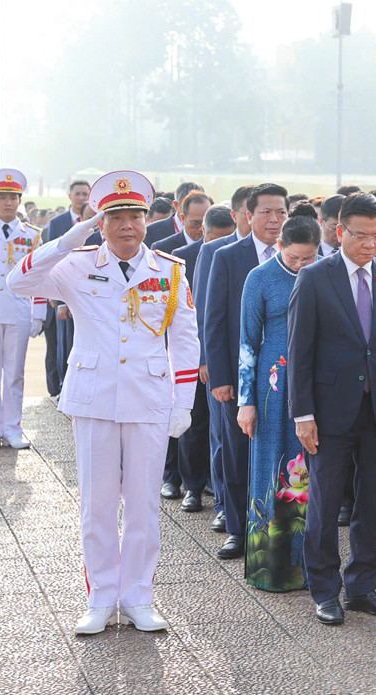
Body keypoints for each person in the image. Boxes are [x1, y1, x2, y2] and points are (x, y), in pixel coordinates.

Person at [7, 170, 199, 634]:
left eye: (134, 215)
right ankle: (100, 598)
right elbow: (18, 283)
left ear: (147, 220)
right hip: (93, 399)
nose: (126, 225)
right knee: (96, 505)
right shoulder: (77, 264)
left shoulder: (170, 272)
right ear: (101, 220)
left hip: (149, 400)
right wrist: (73, 236)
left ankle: (137, 597)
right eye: (115, 216)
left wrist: (182, 403)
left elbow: (187, 341)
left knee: (143, 507)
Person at [288, 192, 376, 624]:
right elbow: (299, 351)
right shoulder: (314, 278)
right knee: (325, 503)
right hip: (329, 411)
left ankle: (363, 586)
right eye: (360, 235)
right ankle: (325, 589)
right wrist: (302, 414)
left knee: (372, 500)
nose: (369, 244)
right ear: (340, 231)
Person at [235, 216, 321, 592]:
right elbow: (247, 343)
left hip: (315, 382)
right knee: (272, 469)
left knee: (310, 471)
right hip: (272, 387)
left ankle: (309, 562)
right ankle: (270, 566)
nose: (303, 265)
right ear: (280, 245)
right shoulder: (260, 278)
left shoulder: (324, 275)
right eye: (295, 257)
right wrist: (245, 402)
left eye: (310, 258)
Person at [205, 183, 289, 560]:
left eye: (281, 212)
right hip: (239, 375)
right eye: (266, 212)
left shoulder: (300, 257)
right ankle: (238, 528)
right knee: (237, 451)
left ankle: (280, 528)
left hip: (283, 378)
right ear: (247, 215)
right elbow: (215, 320)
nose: (275, 219)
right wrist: (222, 378)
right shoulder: (226, 256)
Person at [194, 186, 253, 534]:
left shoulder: (288, 252)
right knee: (224, 439)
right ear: (238, 214)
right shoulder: (217, 251)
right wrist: (208, 362)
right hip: (226, 365)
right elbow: (206, 310)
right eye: (252, 212)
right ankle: (224, 508)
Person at [172, 205, 237, 513]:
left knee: (222, 428)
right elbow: (198, 311)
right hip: (198, 354)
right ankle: (192, 486)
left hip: (227, 355)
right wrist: (200, 359)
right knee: (195, 423)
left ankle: (216, 485)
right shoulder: (189, 255)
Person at [157, 191, 213, 501]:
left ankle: (202, 479)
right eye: (194, 224)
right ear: (181, 215)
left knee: (200, 420)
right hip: (172, 348)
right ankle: (171, 476)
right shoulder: (166, 252)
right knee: (175, 411)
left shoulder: (223, 251)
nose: (199, 231)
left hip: (206, 347)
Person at [0, 169, 45, 448]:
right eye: (2, 197)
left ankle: (13, 426)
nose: (7, 203)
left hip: (18, 310)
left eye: (12, 197)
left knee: (15, 372)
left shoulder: (32, 236)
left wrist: (38, 313)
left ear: (19, 200)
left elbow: (39, 277)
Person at [43, 180, 91, 397]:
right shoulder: (58, 223)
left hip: (90, 291)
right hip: (62, 291)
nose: (81, 197)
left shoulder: (97, 221)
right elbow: (52, 258)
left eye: (85, 194)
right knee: (61, 343)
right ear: (70, 196)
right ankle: (61, 389)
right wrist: (58, 297)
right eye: (78, 193)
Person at [145, 181, 203, 245]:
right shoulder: (152, 231)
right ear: (176, 205)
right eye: (187, 205)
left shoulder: (211, 229)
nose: (193, 209)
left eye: (199, 205)